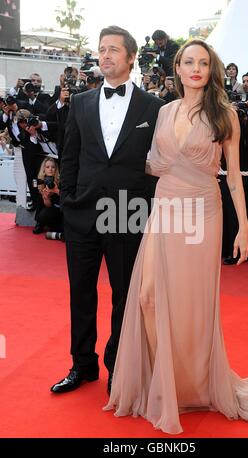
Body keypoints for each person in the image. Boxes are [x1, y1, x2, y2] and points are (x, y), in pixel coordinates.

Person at [104, 39, 248, 434]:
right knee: (149, 297)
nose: (195, 68)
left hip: (202, 214)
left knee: (191, 306)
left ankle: (189, 385)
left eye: (203, 62)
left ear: (211, 70)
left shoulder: (224, 115)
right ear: (178, 68)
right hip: (165, 212)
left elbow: (235, 176)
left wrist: (244, 227)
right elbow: (154, 164)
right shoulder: (164, 111)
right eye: (188, 61)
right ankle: (166, 381)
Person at [50, 26, 164, 394]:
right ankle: (82, 365)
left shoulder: (153, 107)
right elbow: (70, 155)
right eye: (102, 49)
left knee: (123, 296)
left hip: (127, 211)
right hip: (82, 211)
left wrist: (144, 204)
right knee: (80, 292)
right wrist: (69, 199)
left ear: (131, 57)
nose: (106, 55)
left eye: (114, 49)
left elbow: (157, 163)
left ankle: (118, 367)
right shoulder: (81, 102)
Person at [32, 157, 62, 236]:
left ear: (56, 169)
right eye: (47, 167)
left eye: (53, 167)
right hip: (50, 210)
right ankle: (40, 223)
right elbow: (48, 205)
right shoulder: (41, 182)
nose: (50, 169)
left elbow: (65, 197)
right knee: (39, 198)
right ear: (43, 169)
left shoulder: (60, 181)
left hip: (60, 209)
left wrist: (56, 190)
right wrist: (45, 197)